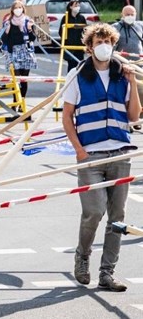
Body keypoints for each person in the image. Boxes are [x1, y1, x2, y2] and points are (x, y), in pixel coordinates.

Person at [62, 23, 141, 293]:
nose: (104, 44)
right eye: (99, 41)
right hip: (91, 155)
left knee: (117, 216)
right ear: (90, 46)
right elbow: (67, 116)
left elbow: (134, 116)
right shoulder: (78, 74)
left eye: (108, 40)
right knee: (93, 212)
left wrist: (132, 80)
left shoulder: (122, 73)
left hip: (120, 151)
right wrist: (80, 151)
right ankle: (82, 256)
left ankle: (107, 272)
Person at [3, 0, 37, 102]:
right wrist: (7, 31)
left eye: (20, 7)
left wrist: (29, 29)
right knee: (16, 79)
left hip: (26, 52)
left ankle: (22, 101)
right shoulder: (8, 22)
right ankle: (15, 102)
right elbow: (4, 40)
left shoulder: (28, 21)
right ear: (12, 10)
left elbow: (33, 38)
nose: (18, 10)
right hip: (13, 52)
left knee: (24, 79)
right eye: (16, 8)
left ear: (23, 8)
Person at [59, 0, 88, 74]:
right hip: (69, 46)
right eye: (76, 5)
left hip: (79, 46)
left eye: (78, 5)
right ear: (70, 7)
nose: (77, 7)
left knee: (79, 65)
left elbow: (85, 31)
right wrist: (66, 40)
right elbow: (61, 31)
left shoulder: (81, 18)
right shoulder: (66, 18)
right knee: (71, 65)